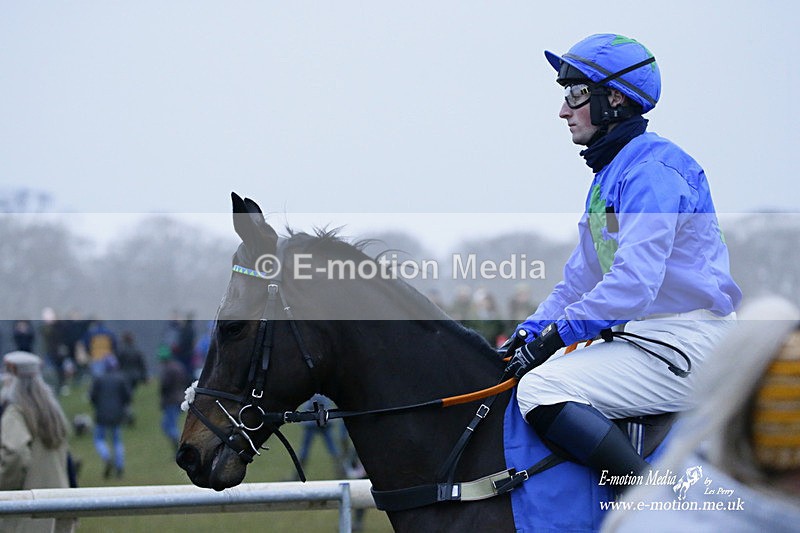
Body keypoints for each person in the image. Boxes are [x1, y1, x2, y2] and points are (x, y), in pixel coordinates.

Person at [500, 34, 742, 488]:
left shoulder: (652, 171)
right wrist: (528, 333)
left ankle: (649, 505)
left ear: (614, 98)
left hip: (688, 341)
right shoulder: (612, 175)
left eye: (575, 94)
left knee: (542, 387)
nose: (563, 110)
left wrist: (557, 336)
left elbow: (633, 285)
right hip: (650, 336)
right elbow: (578, 284)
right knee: (532, 374)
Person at [602, 296, 800, 532]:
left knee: (551, 387)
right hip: (668, 343)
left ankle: (637, 481)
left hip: (680, 344)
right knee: (550, 388)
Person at [0, 351, 75, 533]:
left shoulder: (15, 412)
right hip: (59, 508)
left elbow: (15, 455)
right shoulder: (52, 411)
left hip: (27, 512)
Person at [89, 355, 131, 479]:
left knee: (99, 439)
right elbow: (127, 397)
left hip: (101, 415)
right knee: (117, 441)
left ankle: (106, 457)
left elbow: (92, 397)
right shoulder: (121, 379)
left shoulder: (99, 379)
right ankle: (119, 466)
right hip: (117, 415)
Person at [158, 345, 189, 451]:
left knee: (169, 426)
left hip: (170, 400)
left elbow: (164, 386)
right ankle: (178, 446)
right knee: (168, 425)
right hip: (180, 398)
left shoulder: (167, 370)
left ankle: (181, 446)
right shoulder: (179, 366)